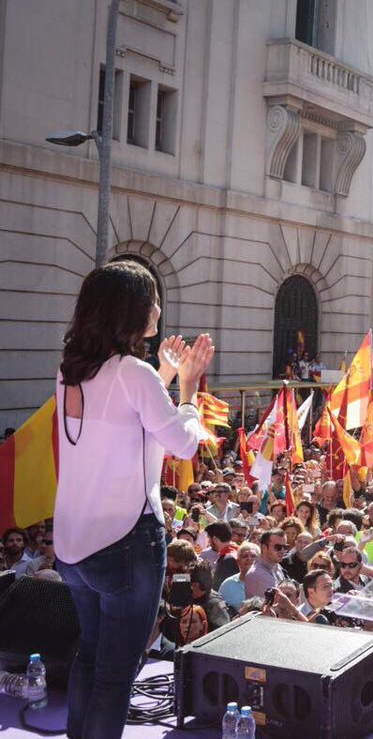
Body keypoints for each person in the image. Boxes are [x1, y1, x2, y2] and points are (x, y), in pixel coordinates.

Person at [53, 261, 214, 739]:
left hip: (73, 546)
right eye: (152, 299)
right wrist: (187, 385)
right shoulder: (134, 374)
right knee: (115, 673)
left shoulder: (70, 370)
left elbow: (125, 412)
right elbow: (183, 442)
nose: (159, 309)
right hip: (126, 544)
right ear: (130, 311)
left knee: (90, 655)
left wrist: (162, 371)